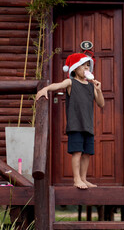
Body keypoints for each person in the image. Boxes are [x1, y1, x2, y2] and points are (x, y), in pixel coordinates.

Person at [36, 53, 104, 189]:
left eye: (88, 66)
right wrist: (46, 89)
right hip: (75, 125)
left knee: (87, 153)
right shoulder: (71, 82)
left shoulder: (91, 86)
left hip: (88, 125)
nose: (87, 69)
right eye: (83, 66)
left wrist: (99, 89)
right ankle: (76, 179)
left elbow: (101, 104)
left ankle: (84, 178)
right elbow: (58, 85)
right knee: (77, 152)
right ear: (74, 68)